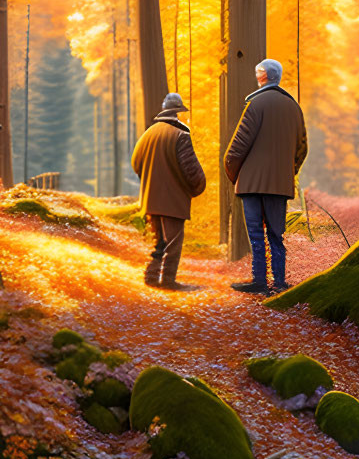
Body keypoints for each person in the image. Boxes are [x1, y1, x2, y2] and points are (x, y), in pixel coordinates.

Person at [224, 59, 308, 294]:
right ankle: (279, 282)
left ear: (262, 77)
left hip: (251, 184)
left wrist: (235, 175)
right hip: (280, 185)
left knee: (256, 235)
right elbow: (302, 148)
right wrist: (288, 172)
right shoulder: (294, 108)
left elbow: (237, 149)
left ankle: (260, 280)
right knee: (276, 234)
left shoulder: (255, 104)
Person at [131, 92, 206, 290]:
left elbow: (135, 162)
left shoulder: (149, 133)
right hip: (173, 199)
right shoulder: (181, 136)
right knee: (173, 242)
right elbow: (191, 170)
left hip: (151, 198)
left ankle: (151, 276)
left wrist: (149, 181)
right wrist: (197, 188)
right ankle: (168, 281)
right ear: (178, 113)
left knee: (159, 242)